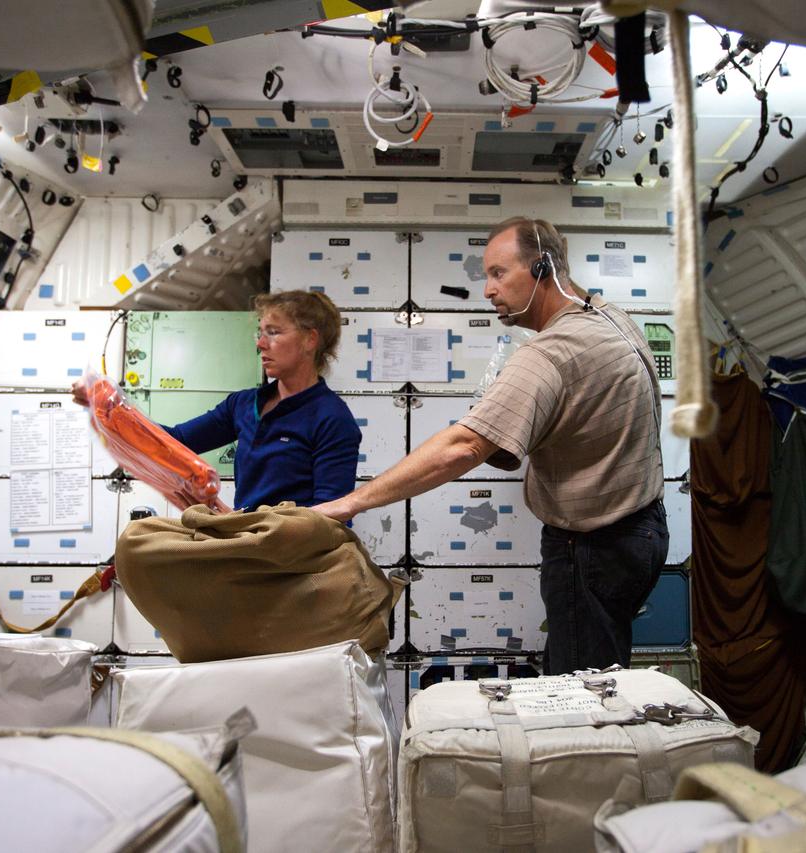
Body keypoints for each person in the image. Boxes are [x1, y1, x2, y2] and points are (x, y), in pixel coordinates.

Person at [314, 217, 667, 674]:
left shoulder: (550, 353)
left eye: (499, 273)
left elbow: (462, 447)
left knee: (584, 688)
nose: (487, 290)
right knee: (592, 663)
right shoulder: (610, 317)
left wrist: (349, 503)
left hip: (594, 548)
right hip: (644, 530)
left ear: (543, 270)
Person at [74, 290, 361, 510]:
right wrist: (109, 407)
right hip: (247, 544)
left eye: (273, 333)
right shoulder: (244, 405)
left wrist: (259, 533)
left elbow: (331, 515)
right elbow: (174, 442)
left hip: (293, 559)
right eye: (260, 333)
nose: (260, 343)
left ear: (310, 340)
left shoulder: (331, 418)